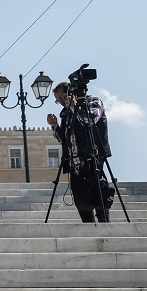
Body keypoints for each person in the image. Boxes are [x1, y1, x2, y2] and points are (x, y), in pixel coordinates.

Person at [47, 81, 113, 222]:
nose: (62, 101)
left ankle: (105, 226)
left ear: (72, 92)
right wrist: (55, 126)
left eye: (63, 97)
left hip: (92, 158)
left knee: (99, 196)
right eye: (58, 100)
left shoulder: (92, 102)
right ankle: (88, 227)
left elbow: (90, 120)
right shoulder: (65, 114)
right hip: (74, 162)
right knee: (81, 201)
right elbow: (64, 139)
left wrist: (75, 107)